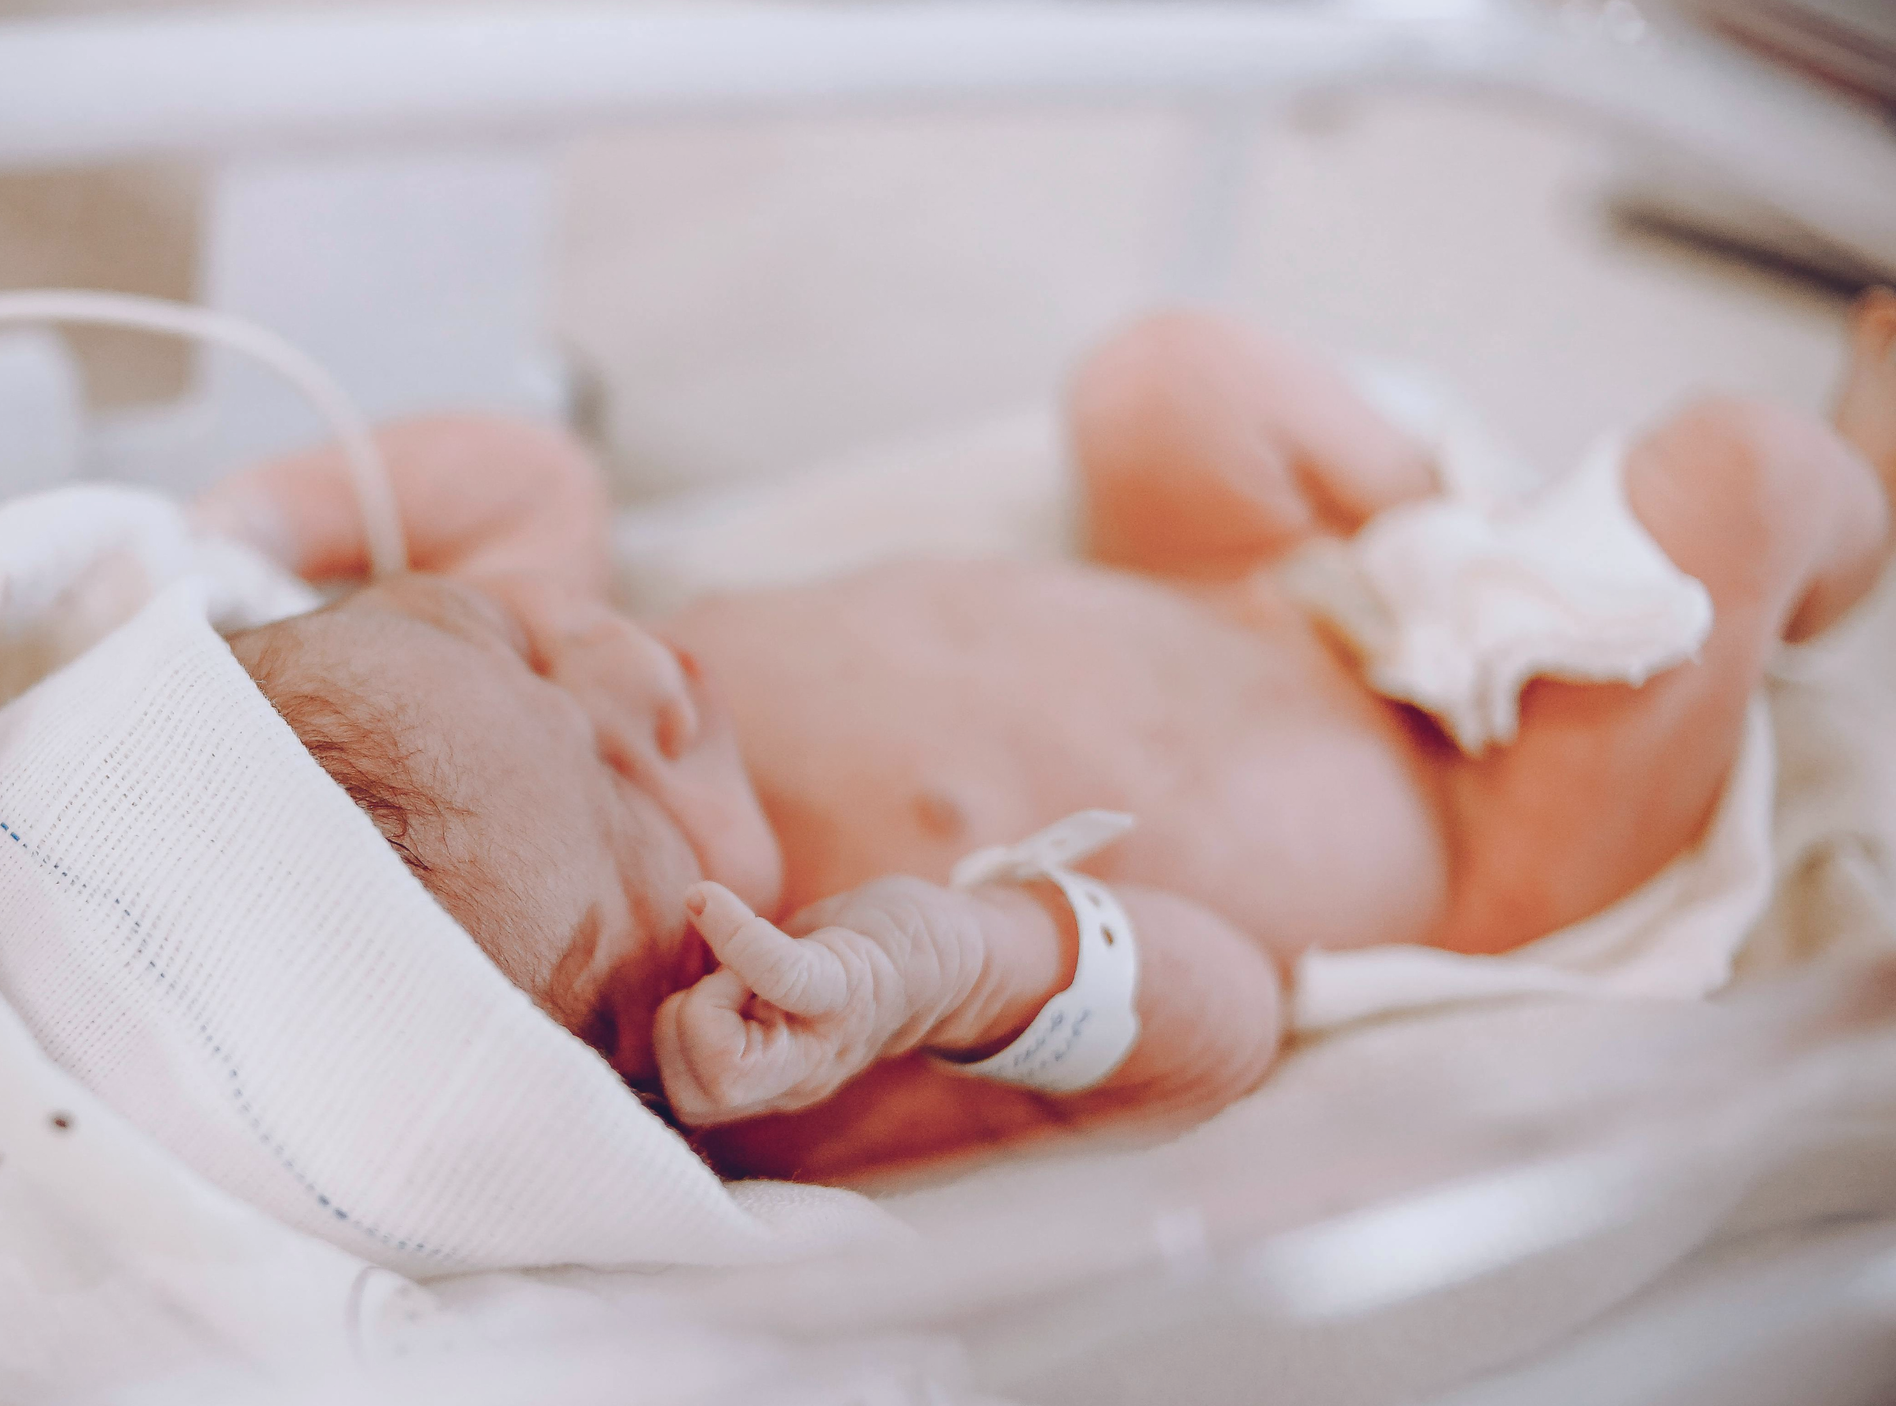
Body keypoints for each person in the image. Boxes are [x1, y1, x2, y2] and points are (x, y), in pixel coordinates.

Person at [190, 294, 1896, 1183]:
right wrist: (958, 963)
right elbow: (1222, 1022)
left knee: (1163, 379)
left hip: (1253, 593)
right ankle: (1859, 491)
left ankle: (1497, 553)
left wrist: (234, 521)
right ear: (646, 1053)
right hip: (1485, 834)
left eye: (512, 640)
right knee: (1746, 475)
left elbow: (529, 480)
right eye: (640, 797)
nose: (632, 674)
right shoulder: (813, 1050)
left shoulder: (530, 722)